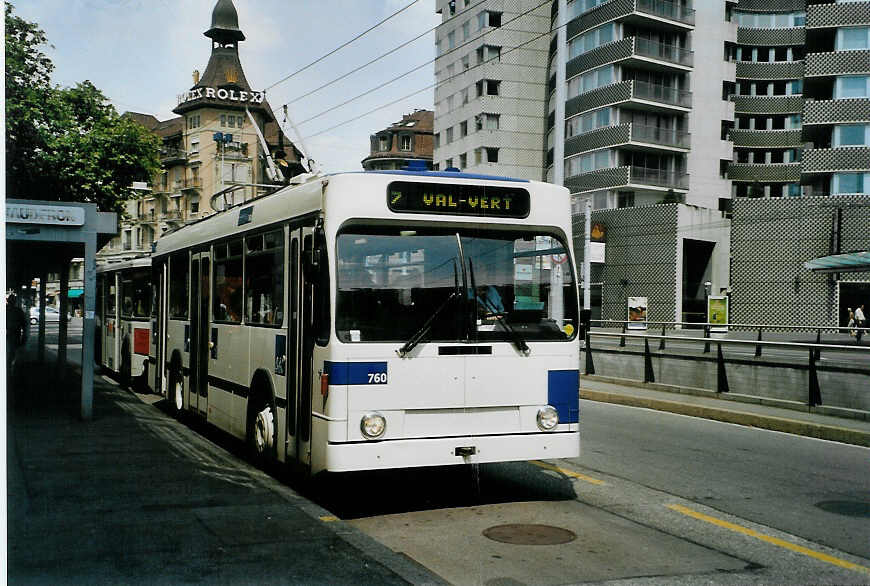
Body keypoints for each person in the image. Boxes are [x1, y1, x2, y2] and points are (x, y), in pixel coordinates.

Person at [6, 294, 27, 379]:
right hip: (14, 335)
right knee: (12, 353)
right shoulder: (18, 311)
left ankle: (8, 370)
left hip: (11, 334)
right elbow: (24, 325)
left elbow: (24, 325)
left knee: (10, 353)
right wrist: (24, 337)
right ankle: (10, 370)